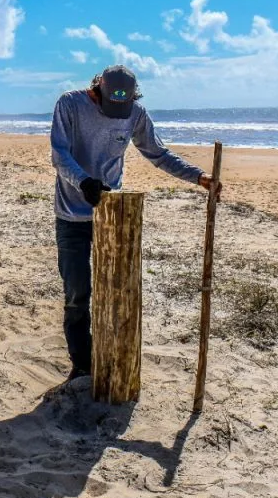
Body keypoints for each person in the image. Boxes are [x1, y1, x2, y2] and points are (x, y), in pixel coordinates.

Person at [50, 64, 219, 380]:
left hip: (113, 214)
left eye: (122, 107)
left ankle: (113, 356)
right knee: (77, 294)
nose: (117, 113)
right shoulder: (69, 104)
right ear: (97, 87)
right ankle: (82, 364)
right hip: (72, 214)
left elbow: (159, 154)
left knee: (115, 291)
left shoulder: (136, 114)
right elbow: (59, 155)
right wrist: (84, 182)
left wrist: (198, 177)